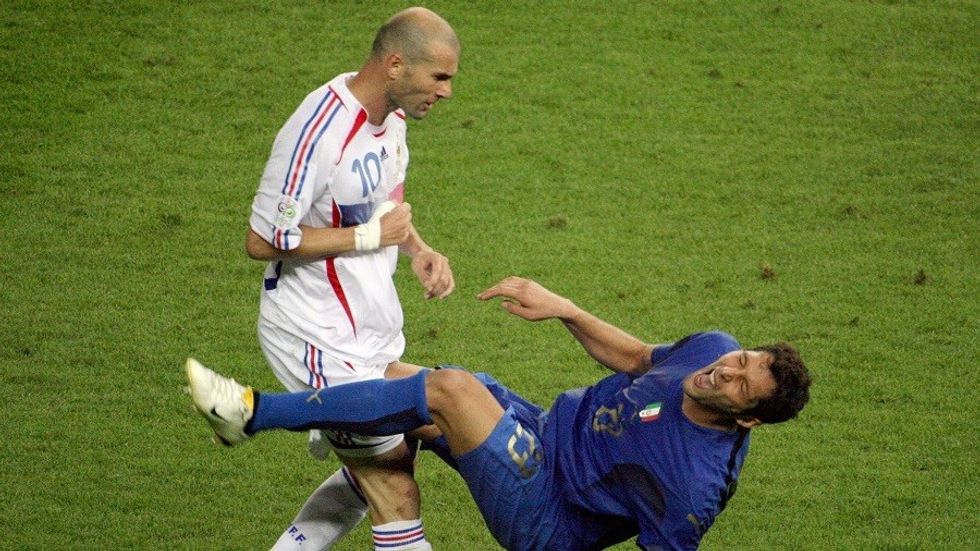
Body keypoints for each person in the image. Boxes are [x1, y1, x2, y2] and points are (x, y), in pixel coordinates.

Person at [187, 276, 812, 550]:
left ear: (748, 419)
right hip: (540, 430)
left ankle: (251, 413)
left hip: (549, 519)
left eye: (739, 383)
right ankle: (326, 469)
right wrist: (565, 307)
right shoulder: (714, 348)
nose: (725, 369)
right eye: (743, 358)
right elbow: (639, 357)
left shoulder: (692, 487)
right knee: (394, 384)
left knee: (450, 392)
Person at [242, 7, 459, 550]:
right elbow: (264, 240)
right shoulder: (320, 129)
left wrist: (417, 248)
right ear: (395, 64)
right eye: (440, 77)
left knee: (390, 459)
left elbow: (387, 201)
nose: (448, 91)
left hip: (368, 322)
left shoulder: (396, 119)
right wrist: (370, 239)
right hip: (314, 332)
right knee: (393, 488)